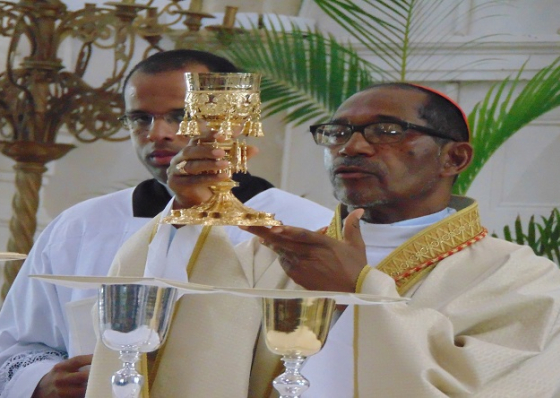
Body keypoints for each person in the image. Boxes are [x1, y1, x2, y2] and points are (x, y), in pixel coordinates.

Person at [86, 82, 560, 397]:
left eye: (388, 131)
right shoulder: (270, 254)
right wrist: (188, 218)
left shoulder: (521, 279)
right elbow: (185, 347)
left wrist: (359, 293)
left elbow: (489, 385)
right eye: (337, 133)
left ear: (454, 158)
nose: (351, 147)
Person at [0, 50, 333, 398]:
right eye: (140, 119)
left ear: (233, 117)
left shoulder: (303, 225)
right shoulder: (80, 225)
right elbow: (18, 344)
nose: (157, 133)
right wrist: (40, 381)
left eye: (180, 115)